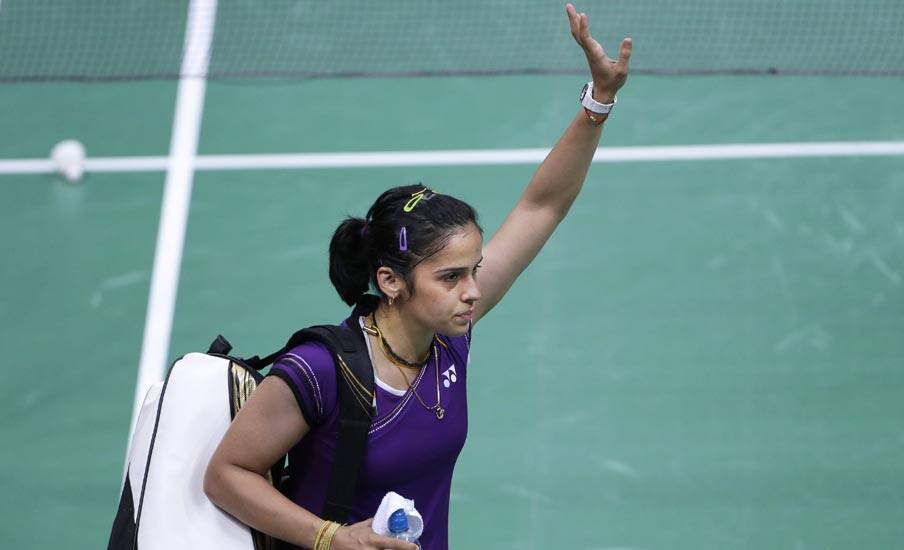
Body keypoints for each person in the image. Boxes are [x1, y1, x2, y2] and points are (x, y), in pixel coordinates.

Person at [203, 4, 632, 549]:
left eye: (474, 271)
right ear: (391, 282)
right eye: (450, 277)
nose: (473, 291)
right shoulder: (319, 371)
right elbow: (226, 474)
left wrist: (599, 100)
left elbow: (541, 207)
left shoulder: (449, 335)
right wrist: (333, 538)